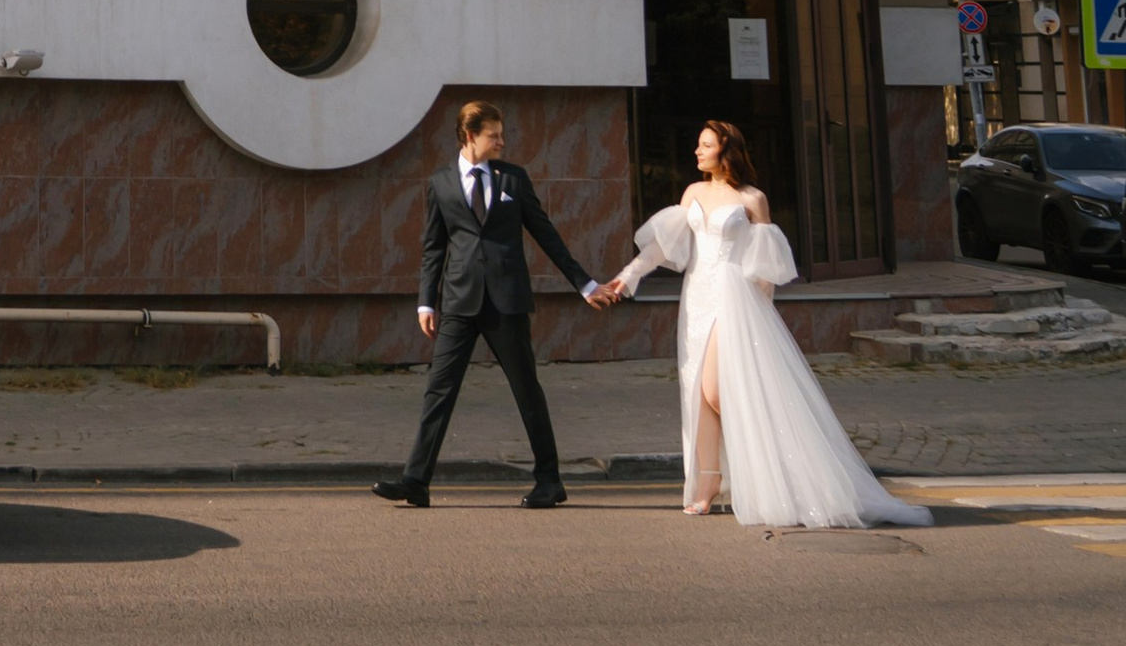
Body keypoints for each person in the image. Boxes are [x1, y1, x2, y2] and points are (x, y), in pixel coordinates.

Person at [592, 120, 930, 530]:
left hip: (737, 298)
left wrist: (761, 313)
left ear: (726, 150)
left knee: (716, 390)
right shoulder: (693, 193)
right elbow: (662, 247)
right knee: (696, 390)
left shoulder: (753, 199)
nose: (697, 153)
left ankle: (776, 463)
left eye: (705, 146)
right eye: (698, 145)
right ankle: (708, 484)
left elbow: (767, 267)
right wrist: (627, 278)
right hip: (696, 297)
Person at [374, 98, 604, 511]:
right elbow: (433, 248)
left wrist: (584, 284)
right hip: (459, 301)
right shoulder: (441, 182)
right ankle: (416, 481)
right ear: (469, 137)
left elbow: (546, 234)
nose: (502, 141)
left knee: (526, 390)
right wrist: (426, 303)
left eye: (502, 134)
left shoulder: (513, 179)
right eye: (493, 135)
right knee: (438, 391)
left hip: (506, 301)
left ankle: (549, 481)